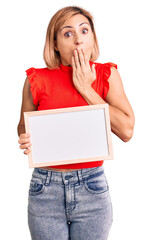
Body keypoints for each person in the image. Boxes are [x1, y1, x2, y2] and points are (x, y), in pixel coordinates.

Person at [17, 6, 135, 240]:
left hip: (92, 186)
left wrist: (86, 88)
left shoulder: (105, 75)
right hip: (45, 188)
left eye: (84, 31)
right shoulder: (36, 79)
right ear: (55, 43)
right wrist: (25, 136)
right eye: (68, 33)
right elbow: (23, 125)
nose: (78, 40)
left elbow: (127, 130)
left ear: (92, 38)